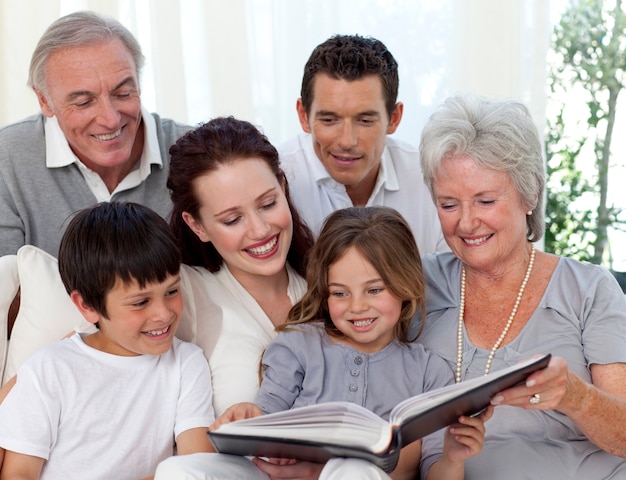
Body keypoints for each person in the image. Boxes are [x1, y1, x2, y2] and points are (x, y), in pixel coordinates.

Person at [415, 94, 626, 478]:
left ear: (529, 194)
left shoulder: (590, 289)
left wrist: (575, 397)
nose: (465, 223)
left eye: (485, 200)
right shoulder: (415, 284)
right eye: (449, 205)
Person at [207, 206, 492, 480]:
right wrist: (249, 416)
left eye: (374, 290)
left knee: (353, 472)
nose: (357, 307)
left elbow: (430, 470)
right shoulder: (299, 345)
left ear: (405, 284)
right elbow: (267, 418)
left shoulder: (429, 372)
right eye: (340, 294)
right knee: (184, 469)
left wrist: (452, 458)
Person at [0, 202, 215, 479]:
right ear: (87, 305)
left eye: (172, 290)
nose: (163, 314)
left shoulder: (187, 363)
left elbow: (196, 466)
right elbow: (19, 474)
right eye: (140, 302)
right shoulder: (49, 368)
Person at [0, 11, 190, 258]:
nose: (110, 120)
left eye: (123, 94)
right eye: (83, 102)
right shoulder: (6, 160)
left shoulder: (196, 153)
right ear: (44, 100)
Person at [278, 34, 447, 255]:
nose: (347, 141)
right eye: (329, 120)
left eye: (365, 121)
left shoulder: (430, 178)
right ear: (303, 115)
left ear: (394, 118)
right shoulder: (275, 180)